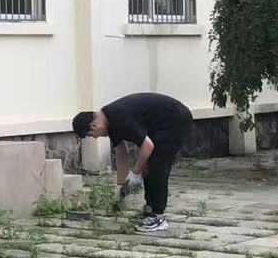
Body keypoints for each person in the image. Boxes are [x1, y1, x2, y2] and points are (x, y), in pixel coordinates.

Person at [73, 93, 194, 236]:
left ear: (94, 126)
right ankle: (150, 209)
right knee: (147, 163)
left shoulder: (118, 117)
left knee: (157, 163)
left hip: (176, 119)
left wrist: (135, 173)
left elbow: (147, 146)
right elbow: (121, 154)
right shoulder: (109, 122)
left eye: (92, 135)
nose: (96, 137)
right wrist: (120, 189)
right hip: (159, 123)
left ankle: (158, 216)